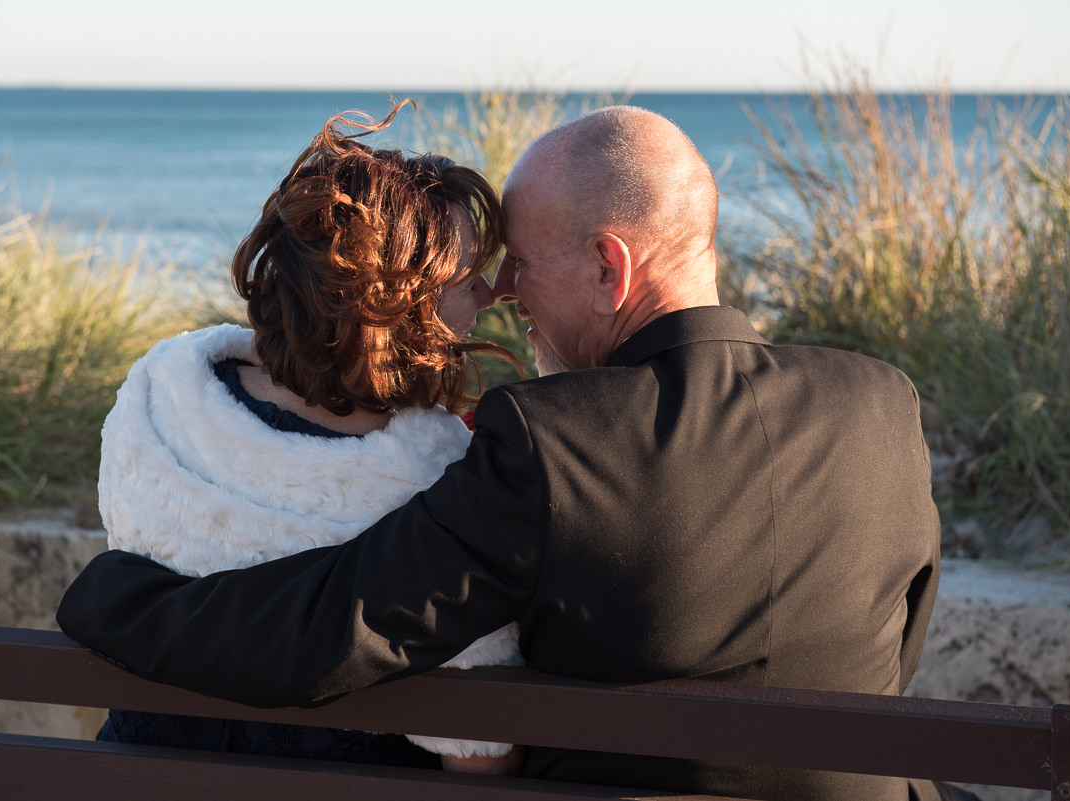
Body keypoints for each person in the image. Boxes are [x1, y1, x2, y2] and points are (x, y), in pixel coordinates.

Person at [59, 106, 946, 800]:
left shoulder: (550, 441)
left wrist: (115, 598)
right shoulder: (883, 404)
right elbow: (894, 649)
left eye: (520, 260)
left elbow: (331, 627)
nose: (504, 290)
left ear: (611, 268)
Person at [89, 102, 524, 774]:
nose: (491, 296)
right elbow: (482, 752)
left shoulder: (158, 408)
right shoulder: (435, 486)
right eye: (469, 281)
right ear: (396, 306)